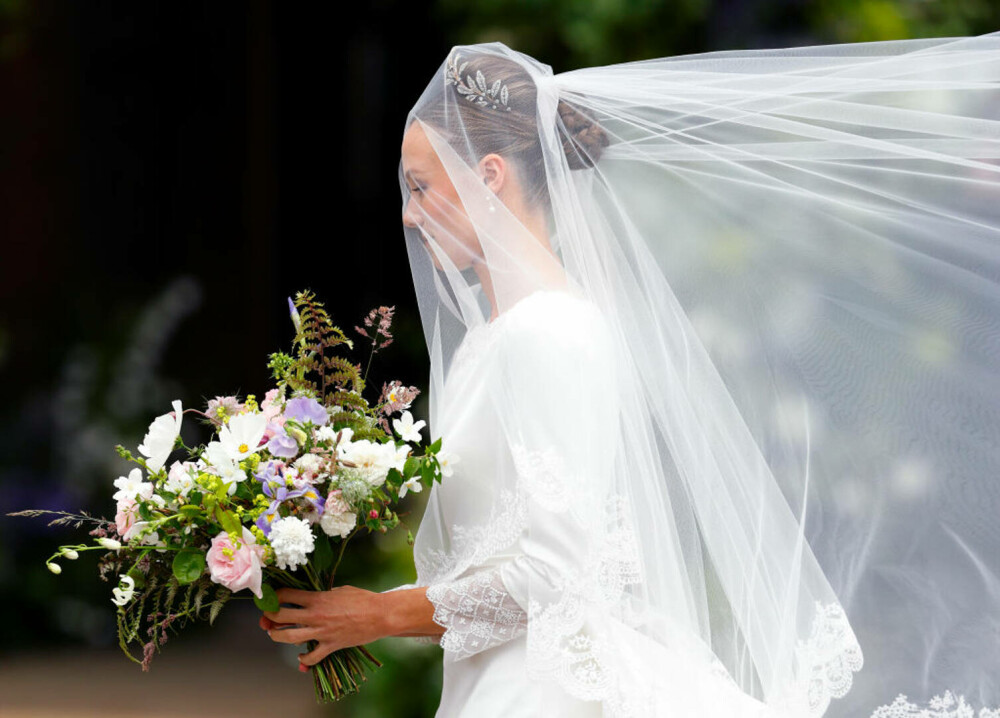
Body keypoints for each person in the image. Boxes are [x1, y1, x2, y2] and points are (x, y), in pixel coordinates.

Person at [261, 36, 1000, 717]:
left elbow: (556, 572)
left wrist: (381, 613)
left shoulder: (549, 332)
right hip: (500, 676)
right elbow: (500, 551)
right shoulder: (499, 337)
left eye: (422, 187)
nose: (411, 218)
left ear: (488, 176)